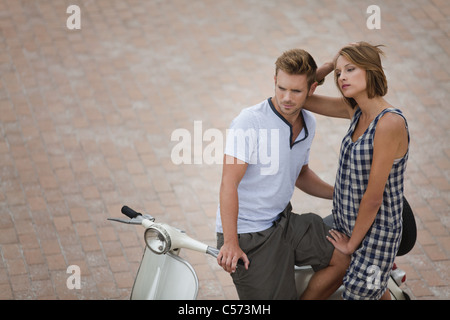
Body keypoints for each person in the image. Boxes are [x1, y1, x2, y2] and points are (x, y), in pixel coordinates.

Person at [215, 48, 349, 300]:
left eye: (296, 91)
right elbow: (228, 184)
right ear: (274, 81)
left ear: (311, 91)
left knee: (343, 258)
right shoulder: (249, 122)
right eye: (281, 88)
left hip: (283, 222)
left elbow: (301, 174)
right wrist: (230, 242)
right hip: (247, 235)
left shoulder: (309, 123)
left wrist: (339, 195)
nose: (287, 98)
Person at [304, 42, 410, 300]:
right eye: (339, 73)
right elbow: (300, 96)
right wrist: (328, 66)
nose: (342, 77)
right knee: (370, 291)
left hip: (376, 234)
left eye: (350, 69)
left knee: (357, 294)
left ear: (371, 70)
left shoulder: (389, 123)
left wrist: (351, 246)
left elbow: (374, 197)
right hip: (346, 222)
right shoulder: (355, 111)